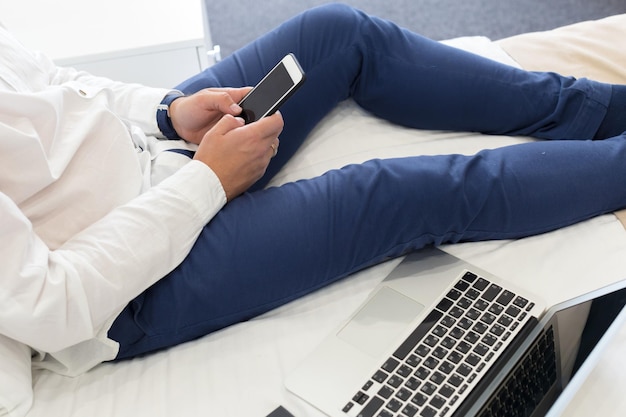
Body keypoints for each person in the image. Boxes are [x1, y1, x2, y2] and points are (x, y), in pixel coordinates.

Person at [2, 3, 626, 376]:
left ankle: (599, 111)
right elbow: (53, 303)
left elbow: (53, 83)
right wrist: (209, 181)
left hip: (156, 153)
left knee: (338, 31)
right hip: (126, 288)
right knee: (395, 196)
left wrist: (168, 112)